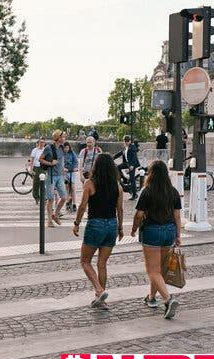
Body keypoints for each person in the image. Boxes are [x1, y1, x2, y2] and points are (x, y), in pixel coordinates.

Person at [131, 160, 181, 320]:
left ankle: (168, 299)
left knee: (152, 271)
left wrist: (133, 229)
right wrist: (178, 235)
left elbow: (139, 214)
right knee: (158, 269)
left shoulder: (147, 191)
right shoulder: (172, 191)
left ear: (151, 174)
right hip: (169, 231)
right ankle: (151, 298)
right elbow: (177, 216)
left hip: (152, 231)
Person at [73, 153, 123, 310]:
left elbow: (82, 206)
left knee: (85, 261)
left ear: (96, 166)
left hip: (96, 224)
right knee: (102, 264)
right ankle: (101, 300)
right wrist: (120, 228)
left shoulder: (89, 183)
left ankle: (99, 290)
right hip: (112, 225)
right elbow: (120, 209)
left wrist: (76, 223)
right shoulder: (118, 186)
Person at [38, 130, 67, 227]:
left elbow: (61, 160)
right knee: (50, 199)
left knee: (64, 197)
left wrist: (63, 170)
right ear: (58, 137)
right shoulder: (48, 148)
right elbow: (40, 159)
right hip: (51, 176)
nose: (64, 138)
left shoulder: (62, 148)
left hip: (59, 176)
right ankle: (49, 220)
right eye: (63, 137)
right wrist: (50, 163)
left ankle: (56, 214)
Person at [114, 135, 140, 200]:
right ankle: (124, 179)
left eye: (127, 141)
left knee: (132, 178)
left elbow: (134, 157)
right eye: (125, 141)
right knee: (117, 168)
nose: (126, 142)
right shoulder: (125, 147)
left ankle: (134, 194)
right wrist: (111, 158)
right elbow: (119, 153)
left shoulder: (132, 147)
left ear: (130, 141)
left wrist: (132, 166)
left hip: (132, 164)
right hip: (126, 163)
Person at [28, 138, 46, 205]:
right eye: (41, 142)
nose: (42, 143)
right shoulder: (35, 150)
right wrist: (31, 168)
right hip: (36, 168)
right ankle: (36, 197)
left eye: (43, 142)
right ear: (38, 143)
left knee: (43, 184)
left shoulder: (45, 150)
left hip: (43, 168)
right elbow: (32, 159)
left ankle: (44, 198)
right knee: (36, 184)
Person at [63, 142, 79, 212]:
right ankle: (67, 201)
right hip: (65, 172)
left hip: (72, 171)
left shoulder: (72, 153)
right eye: (65, 148)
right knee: (66, 187)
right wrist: (63, 168)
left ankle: (74, 204)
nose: (66, 149)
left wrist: (75, 167)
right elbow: (60, 162)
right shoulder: (62, 154)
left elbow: (76, 161)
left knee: (72, 187)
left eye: (67, 147)